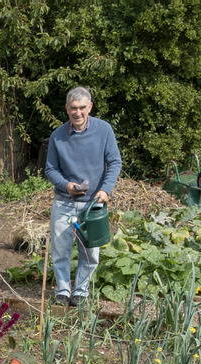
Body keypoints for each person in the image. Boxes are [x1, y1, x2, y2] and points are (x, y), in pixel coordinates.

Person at [43, 87, 122, 307]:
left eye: (82, 108)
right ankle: (62, 290)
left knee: (90, 254)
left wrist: (105, 190)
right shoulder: (58, 136)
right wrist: (65, 185)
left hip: (93, 205)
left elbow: (115, 162)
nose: (78, 113)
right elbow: (50, 169)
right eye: (73, 108)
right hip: (64, 202)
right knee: (60, 250)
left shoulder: (104, 130)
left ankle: (80, 292)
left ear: (90, 107)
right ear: (67, 109)